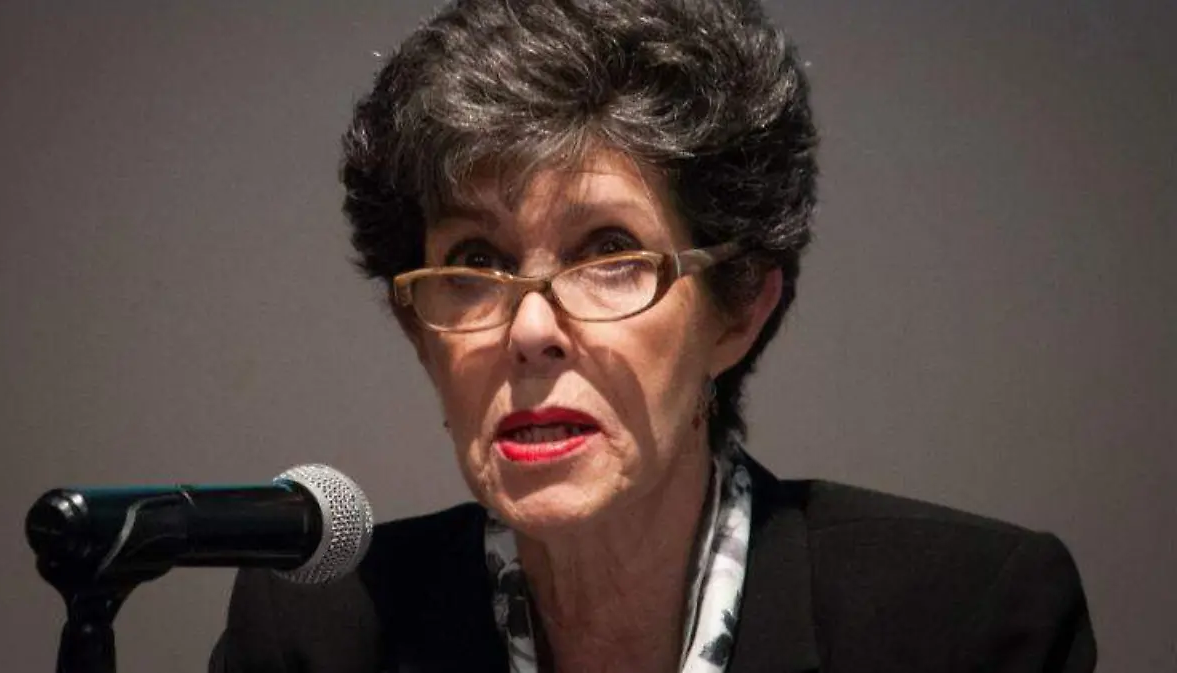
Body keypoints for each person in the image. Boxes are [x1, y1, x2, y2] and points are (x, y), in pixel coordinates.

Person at [210, 1, 1096, 671]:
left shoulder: (964, 620)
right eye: (475, 260)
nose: (530, 329)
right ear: (420, 331)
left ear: (737, 311)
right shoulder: (320, 633)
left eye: (609, 252)